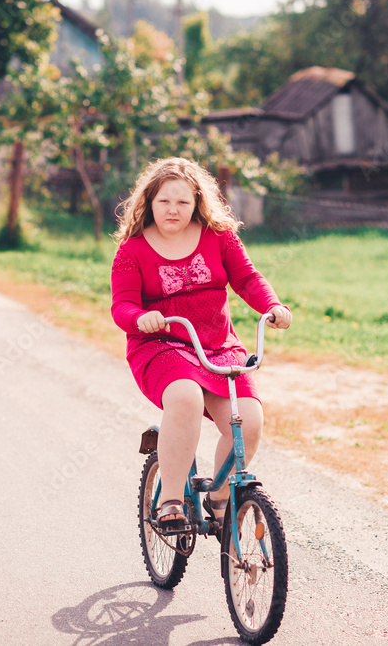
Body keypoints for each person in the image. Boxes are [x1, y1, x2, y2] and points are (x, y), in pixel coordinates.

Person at [110, 157, 292, 534]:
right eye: (164, 202)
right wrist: (138, 317)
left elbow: (246, 278)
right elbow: (121, 305)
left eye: (182, 202)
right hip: (161, 345)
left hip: (217, 345)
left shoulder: (219, 236)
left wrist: (272, 305)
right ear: (150, 202)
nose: (173, 210)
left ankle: (221, 497)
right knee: (186, 398)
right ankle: (171, 500)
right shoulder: (133, 250)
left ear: (197, 202)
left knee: (250, 420)